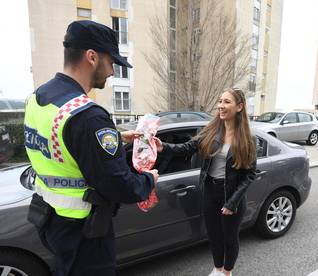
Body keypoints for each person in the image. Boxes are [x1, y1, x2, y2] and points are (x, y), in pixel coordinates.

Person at [24, 20, 158, 276]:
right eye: (111, 63)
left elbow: (62, 144)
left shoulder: (37, 98)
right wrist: (148, 181)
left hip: (49, 220)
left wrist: (117, 139)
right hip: (83, 234)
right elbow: (119, 185)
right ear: (92, 57)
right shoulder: (89, 117)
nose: (112, 72)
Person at [154, 88, 256, 276]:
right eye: (220, 101)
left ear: (239, 106)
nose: (221, 106)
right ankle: (217, 268)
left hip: (232, 196)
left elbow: (249, 174)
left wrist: (232, 202)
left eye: (226, 102)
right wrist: (163, 147)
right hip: (210, 192)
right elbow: (186, 148)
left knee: (230, 238)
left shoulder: (248, 139)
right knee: (214, 236)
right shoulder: (210, 130)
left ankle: (227, 272)